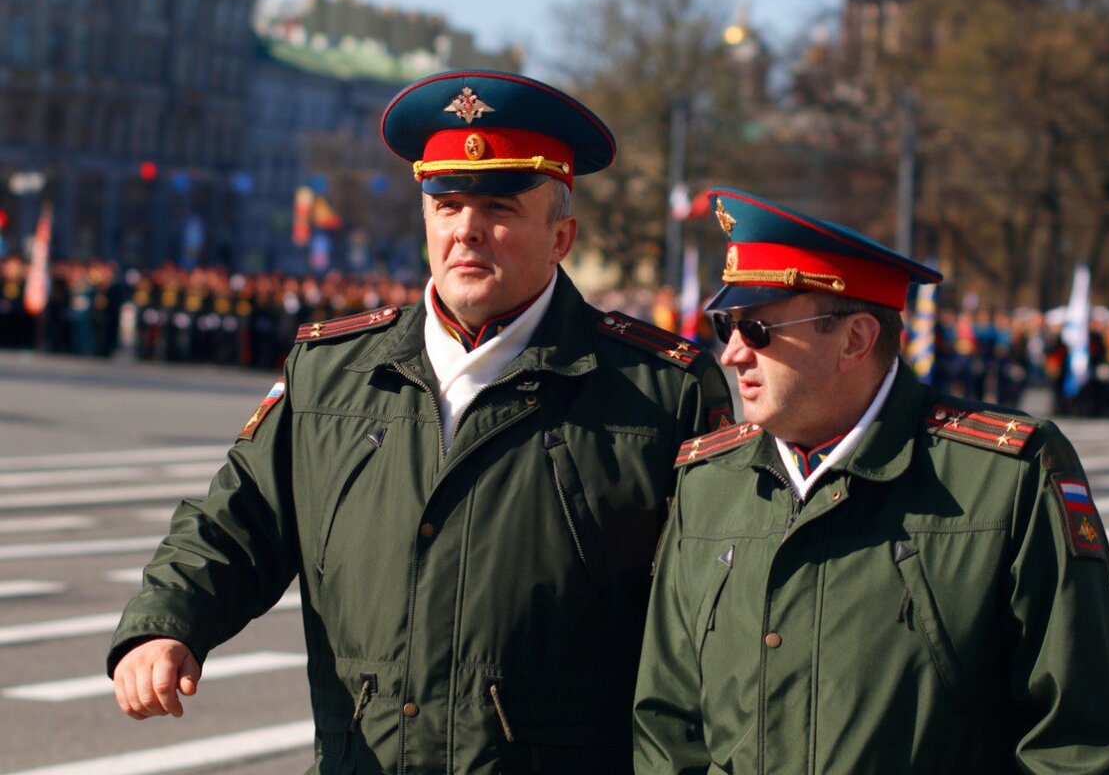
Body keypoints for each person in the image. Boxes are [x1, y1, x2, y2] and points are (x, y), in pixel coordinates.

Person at [107, 70, 732, 774]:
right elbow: (236, 525)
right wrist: (166, 626)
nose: (467, 230)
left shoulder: (657, 391)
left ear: (561, 235)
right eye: (447, 204)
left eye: (498, 207)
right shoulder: (333, 373)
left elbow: (705, 624)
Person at [632, 187, 1109, 773]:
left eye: (758, 330)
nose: (733, 354)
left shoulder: (1006, 476)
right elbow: (667, 725)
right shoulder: (709, 481)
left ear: (856, 339)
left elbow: (1071, 746)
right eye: (726, 326)